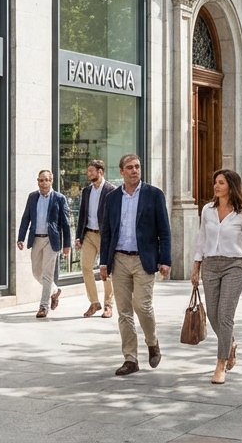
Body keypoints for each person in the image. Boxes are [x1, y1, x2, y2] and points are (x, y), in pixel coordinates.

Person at [99, 154, 172, 376]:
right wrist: (104, 262)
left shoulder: (154, 195)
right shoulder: (112, 198)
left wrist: (165, 259)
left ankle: (152, 342)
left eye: (137, 167)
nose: (134, 171)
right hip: (119, 259)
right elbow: (107, 233)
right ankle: (130, 359)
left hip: (144, 259)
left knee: (142, 306)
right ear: (121, 171)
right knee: (124, 312)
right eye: (129, 167)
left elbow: (164, 231)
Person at [191, 169, 242, 384]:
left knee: (224, 315)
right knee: (213, 315)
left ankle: (220, 363)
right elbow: (201, 238)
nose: (216, 186)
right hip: (211, 266)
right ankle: (229, 342)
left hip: (234, 266)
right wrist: (196, 268)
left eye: (221, 182)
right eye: (215, 182)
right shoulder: (207, 210)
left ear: (231, 186)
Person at [18, 170, 72, 318]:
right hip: (36, 238)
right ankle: (54, 291)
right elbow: (25, 218)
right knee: (36, 273)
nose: (44, 183)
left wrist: (67, 244)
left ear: (51, 181)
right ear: (38, 182)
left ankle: (43, 307)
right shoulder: (33, 197)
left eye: (46, 180)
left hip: (51, 240)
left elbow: (66, 223)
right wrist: (20, 238)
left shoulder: (59, 198)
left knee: (47, 274)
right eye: (41, 180)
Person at [74, 160, 116, 317]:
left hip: (104, 235)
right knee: (85, 267)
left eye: (91, 171)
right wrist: (79, 236)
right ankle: (94, 302)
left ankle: (108, 305)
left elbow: (115, 217)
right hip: (89, 234)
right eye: (88, 171)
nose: (88, 173)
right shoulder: (86, 191)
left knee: (106, 270)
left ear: (100, 172)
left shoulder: (111, 190)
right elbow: (82, 215)